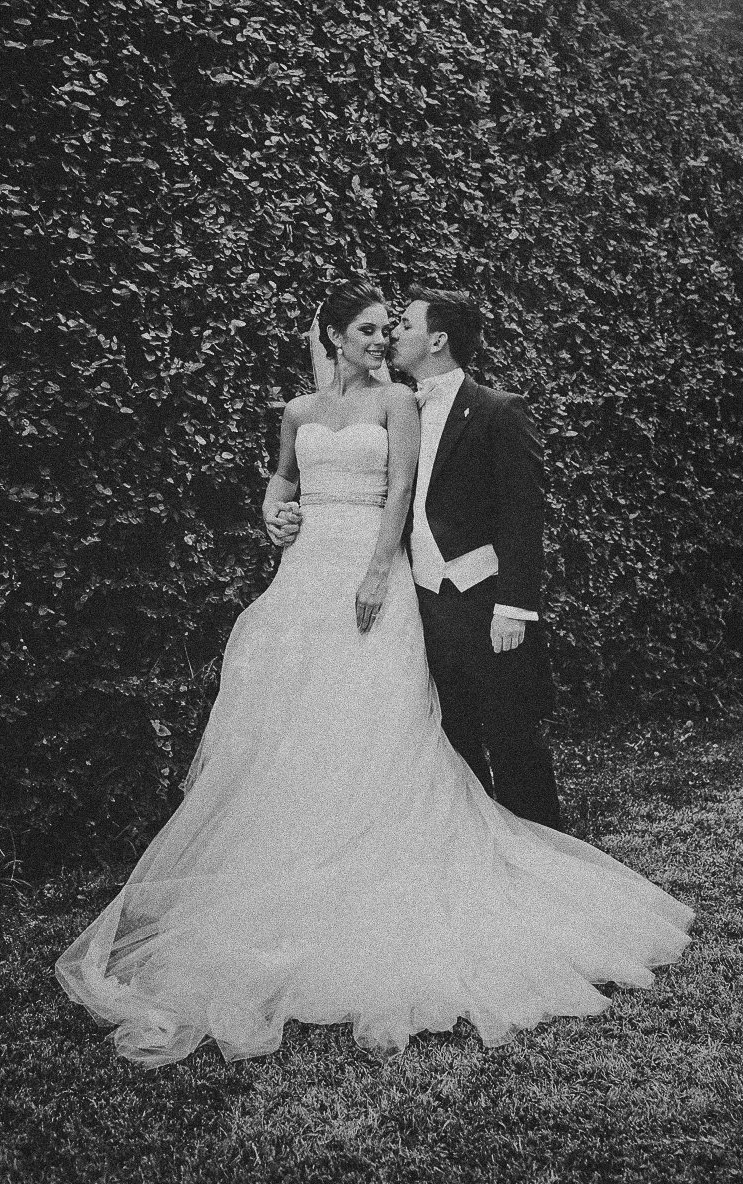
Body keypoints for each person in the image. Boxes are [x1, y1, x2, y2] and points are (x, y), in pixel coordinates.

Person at [56, 279, 693, 1069]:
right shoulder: (305, 411)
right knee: (311, 727)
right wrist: (272, 509)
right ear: (331, 335)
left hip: (400, 584)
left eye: (394, 327)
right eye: (367, 328)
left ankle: (519, 847)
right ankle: (296, 871)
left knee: (429, 725)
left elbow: (434, 498)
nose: (384, 337)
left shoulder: (433, 405)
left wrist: (399, 577)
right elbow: (284, 477)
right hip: (315, 582)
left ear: (431, 339)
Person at [390, 288, 561, 829]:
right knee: (455, 741)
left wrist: (515, 607)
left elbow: (523, 514)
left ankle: (543, 853)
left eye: (406, 324)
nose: (394, 333)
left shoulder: (498, 411)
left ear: (437, 340)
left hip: (486, 601)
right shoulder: (398, 409)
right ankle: (484, 853)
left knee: (513, 739)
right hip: (424, 602)